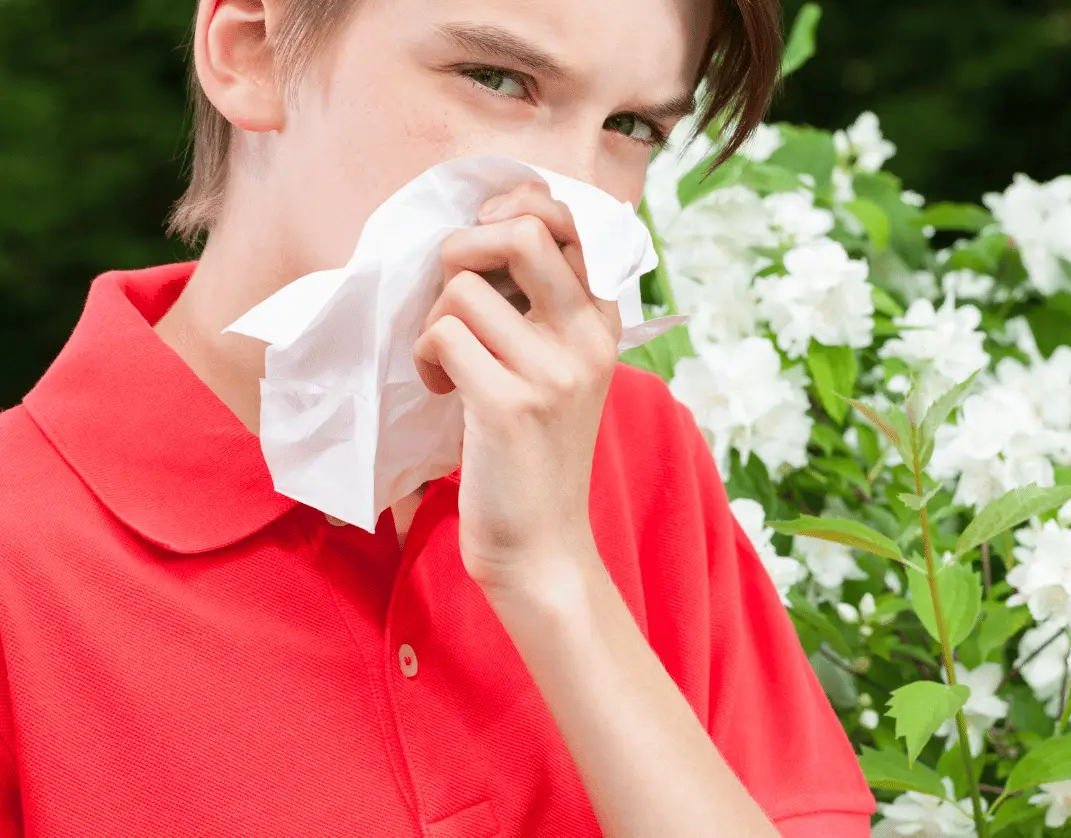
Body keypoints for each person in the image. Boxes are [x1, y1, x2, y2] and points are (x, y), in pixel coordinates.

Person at [0, 0, 875, 835]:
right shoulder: (23, 551)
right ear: (252, 53)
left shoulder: (638, 447)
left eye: (632, 128)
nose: (567, 199)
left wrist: (552, 572)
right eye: (497, 79)